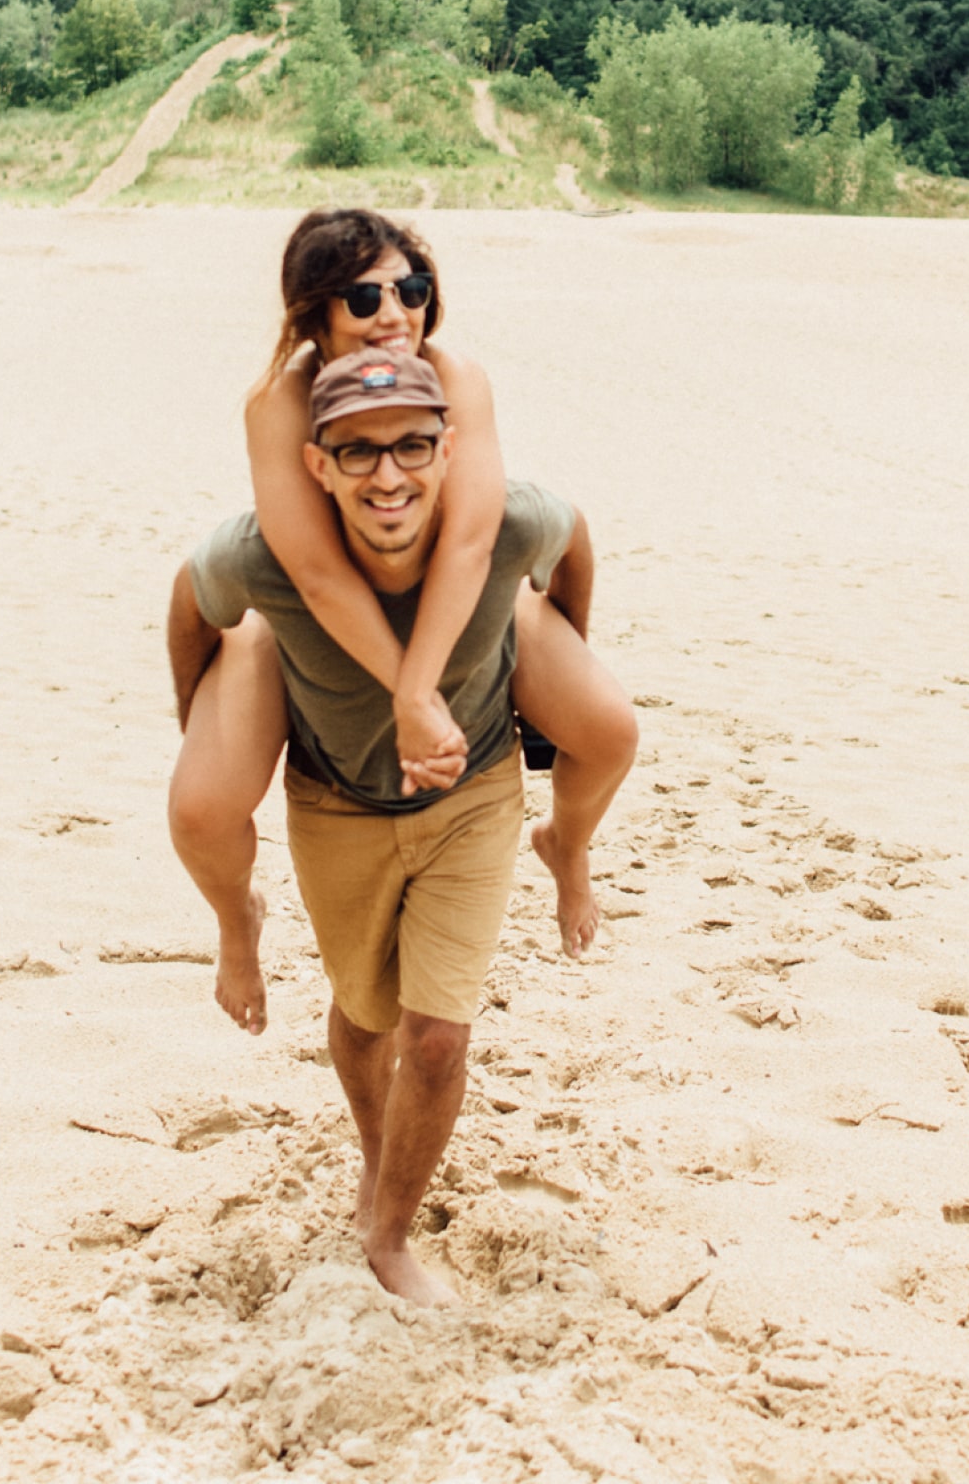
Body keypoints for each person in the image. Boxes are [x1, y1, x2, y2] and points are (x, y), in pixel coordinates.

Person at [165, 347, 633, 1305]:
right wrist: (201, 717)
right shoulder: (263, 552)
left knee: (433, 1040)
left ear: (448, 448)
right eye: (359, 452)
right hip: (338, 802)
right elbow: (190, 601)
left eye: (413, 447)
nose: (389, 476)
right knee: (364, 1017)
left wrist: (554, 660)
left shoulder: (501, 519)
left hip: (474, 798)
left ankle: (387, 1232)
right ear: (318, 465)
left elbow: (574, 538)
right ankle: (376, 1151)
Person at [173, 209, 637, 1041]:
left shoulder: (456, 374)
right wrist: (199, 718)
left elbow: (470, 540)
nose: (395, 314)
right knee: (202, 810)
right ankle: (238, 921)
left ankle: (566, 844)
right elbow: (314, 572)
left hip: (457, 597)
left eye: (411, 289)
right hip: (315, 618)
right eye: (363, 297)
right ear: (313, 314)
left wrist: (500, 666)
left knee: (608, 732)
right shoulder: (279, 402)